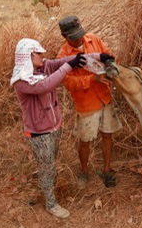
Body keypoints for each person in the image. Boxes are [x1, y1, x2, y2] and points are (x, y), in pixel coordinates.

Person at [11, 37, 103, 218]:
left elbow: (62, 61)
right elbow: (47, 84)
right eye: (38, 53)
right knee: (47, 167)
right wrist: (70, 67)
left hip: (54, 127)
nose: (42, 56)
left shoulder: (41, 67)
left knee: (50, 163)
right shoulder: (22, 80)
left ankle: (49, 192)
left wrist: (100, 56)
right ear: (29, 56)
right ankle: (51, 204)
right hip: (39, 133)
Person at [56, 15, 121, 188]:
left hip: (105, 98)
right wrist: (92, 79)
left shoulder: (94, 40)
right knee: (85, 140)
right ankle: (84, 171)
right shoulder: (63, 55)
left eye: (80, 34)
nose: (79, 39)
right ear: (64, 36)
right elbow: (68, 83)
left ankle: (107, 170)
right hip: (86, 104)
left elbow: (109, 54)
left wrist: (108, 60)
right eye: (74, 37)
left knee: (107, 134)